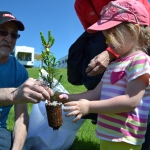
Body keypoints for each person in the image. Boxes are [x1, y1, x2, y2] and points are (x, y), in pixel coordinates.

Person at [57, 0, 150, 149]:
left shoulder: (140, 61)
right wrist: (66, 98)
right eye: (106, 35)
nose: (107, 41)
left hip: (125, 139)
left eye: (113, 33)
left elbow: (130, 101)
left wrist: (88, 107)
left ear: (135, 30)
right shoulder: (113, 64)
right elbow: (95, 93)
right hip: (106, 134)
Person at [0, 11, 53, 150]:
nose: (9, 39)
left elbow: (21, 117)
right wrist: (13, 95)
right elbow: (15, 95)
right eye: (2, 32)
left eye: (14, 35)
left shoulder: (20, 72)